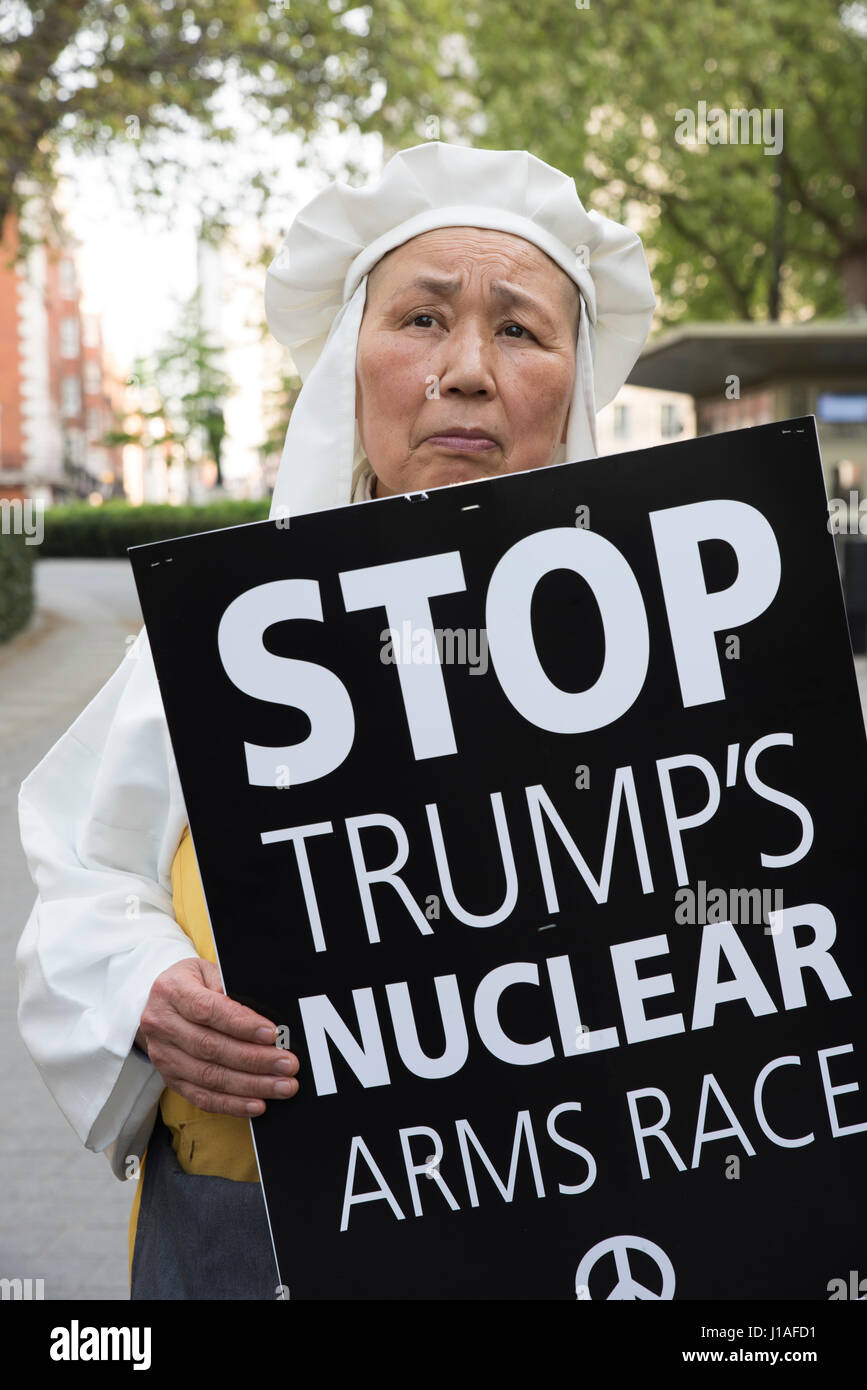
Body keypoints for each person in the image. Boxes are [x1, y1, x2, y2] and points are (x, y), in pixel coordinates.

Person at [16, 140, 656, 1298]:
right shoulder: (206, 649)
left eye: (519, 329)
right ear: (350, 364)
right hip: (242, 1239)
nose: (465, 370)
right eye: (420, 318)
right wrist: (144, 984)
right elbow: (84, 873)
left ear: (575, 374)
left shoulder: (676, 668)